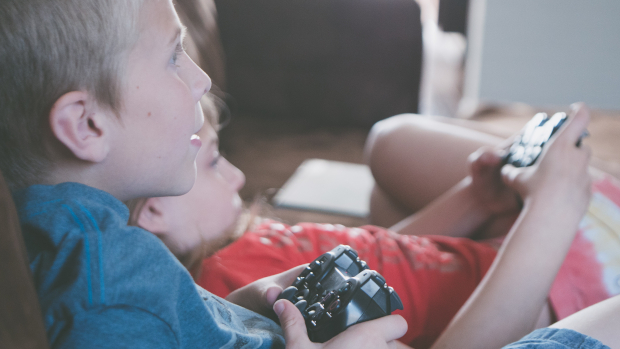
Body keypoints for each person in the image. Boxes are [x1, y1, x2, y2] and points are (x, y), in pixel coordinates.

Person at [0, 0, 615, 348]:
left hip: (460, 270)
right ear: (85, 126)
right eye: (171, 55)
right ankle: (566, 204)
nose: (201, 77)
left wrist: (241, 306)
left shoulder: (94, 247)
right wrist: (551, 208)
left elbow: (190, 325)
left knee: (389, 157)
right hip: (504, 302)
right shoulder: (110, 296)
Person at [130, 94, 618, 348]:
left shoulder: (241, 250)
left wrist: (475, 201)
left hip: (495, 251)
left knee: (387, 159)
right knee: (393, 143)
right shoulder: (227, 287)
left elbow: (383, 254)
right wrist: (548, 210)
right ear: (154, 208)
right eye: (214, 162)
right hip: (541, 279)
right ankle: (583, 206)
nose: (237, 177)